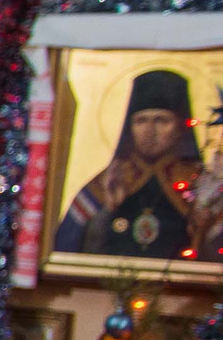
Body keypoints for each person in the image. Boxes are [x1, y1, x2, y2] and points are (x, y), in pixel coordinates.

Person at [54, 67, 218, 260]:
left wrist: (204, 231)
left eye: (161, 121)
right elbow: (66, 250)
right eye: (141, 121)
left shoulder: (203, 186)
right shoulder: (106, 183)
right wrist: (108, 210)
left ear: (180, 127)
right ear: (129, 127)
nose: (150, 131)